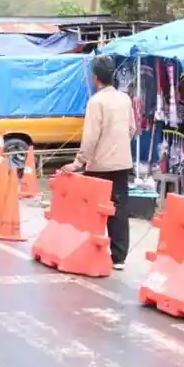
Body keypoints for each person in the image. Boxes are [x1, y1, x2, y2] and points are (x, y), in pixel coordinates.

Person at [59, 56, 136, 266]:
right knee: (119, 209)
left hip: (99, 165)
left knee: (93, 209)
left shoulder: (96, 102)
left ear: (95, 78)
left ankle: (91, 251)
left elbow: (90, 137)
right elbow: (132, 128)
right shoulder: (124, 99)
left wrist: (78, 163)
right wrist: (118, 144)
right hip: (122, 163)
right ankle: (119, 258)